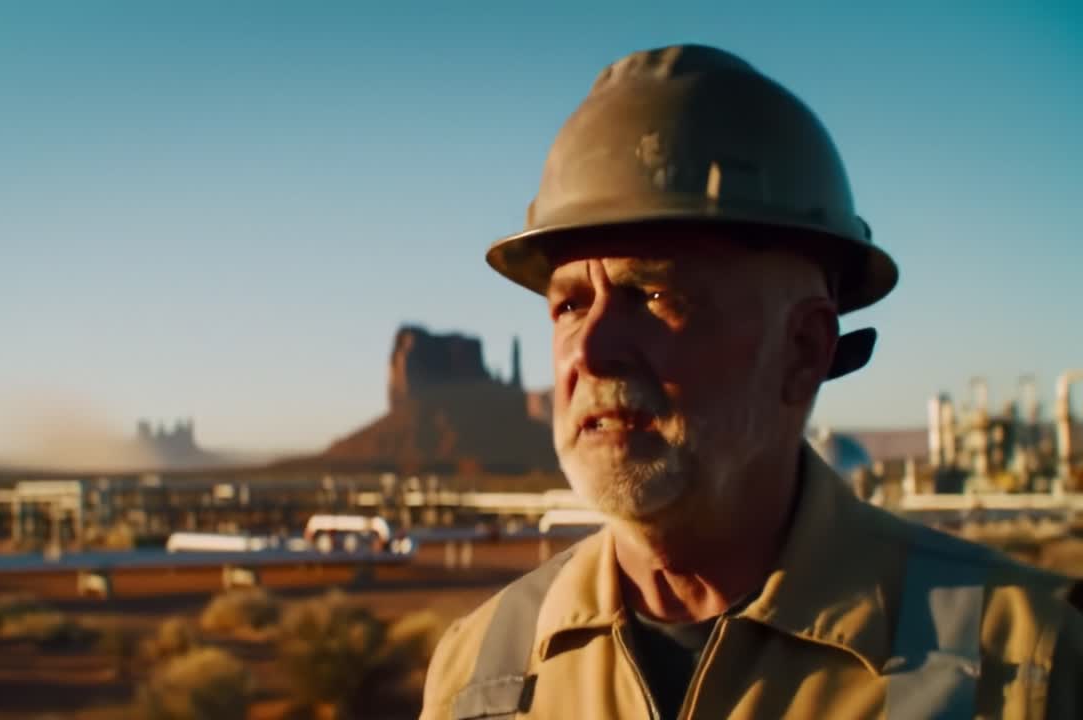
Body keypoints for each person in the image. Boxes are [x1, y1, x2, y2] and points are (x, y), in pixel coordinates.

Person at [419, 44, 1082, 719]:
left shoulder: (1025, 664)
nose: (589, 350)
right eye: (568, 305)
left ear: (803, 349)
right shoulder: (479, 671)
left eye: (651, 295)